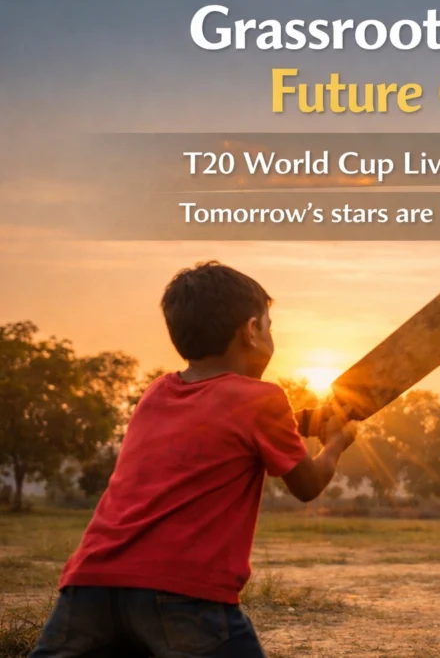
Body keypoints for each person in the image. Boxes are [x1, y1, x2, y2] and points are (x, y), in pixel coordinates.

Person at [30, 261, 358, 658]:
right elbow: (306, 485)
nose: (272, 336)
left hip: (91, 583)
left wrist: (304, 421)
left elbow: (221, 427)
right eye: (270, 327)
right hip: (183, 592)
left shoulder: (157, 393)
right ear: (251, 331)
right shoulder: (262, 398)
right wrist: (336, 443)